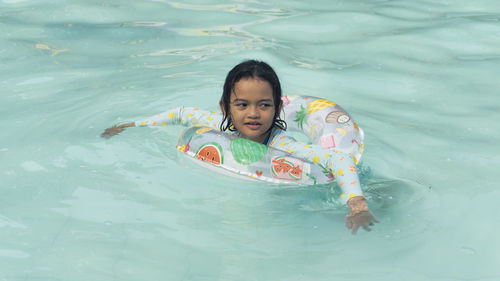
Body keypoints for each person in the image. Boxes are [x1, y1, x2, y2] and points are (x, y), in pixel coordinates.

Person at [102, 60, 378, 234]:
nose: (253, 114)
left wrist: (357, 205)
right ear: (226, 108)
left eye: (264, 105)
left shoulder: (283, 144)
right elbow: (181, 113)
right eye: (242, 105)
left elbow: (340, 161)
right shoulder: (219, 124)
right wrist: (132, 125)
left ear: (278, 109)